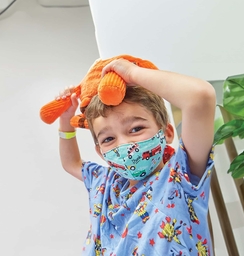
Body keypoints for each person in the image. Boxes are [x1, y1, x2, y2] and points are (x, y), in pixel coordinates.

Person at [58, 58, 216, 255]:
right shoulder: (105, 183)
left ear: (167, 132)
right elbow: (70, 163)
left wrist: (133, 74)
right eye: (108, 139)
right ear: (101, 152)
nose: (124, 144)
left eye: (136, 128)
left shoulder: (180, 178)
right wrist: (65, 122)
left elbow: (200, 97)